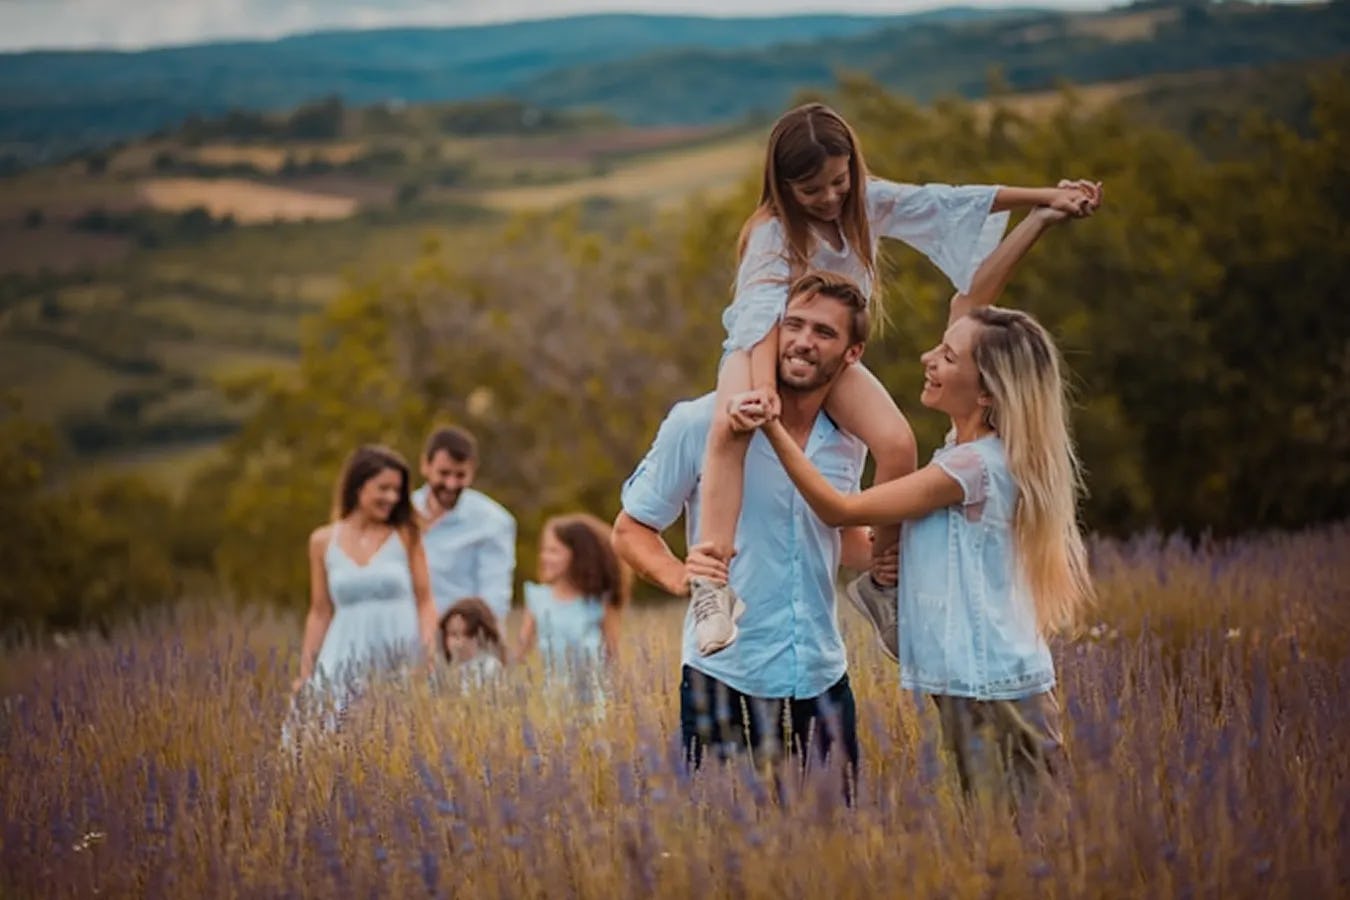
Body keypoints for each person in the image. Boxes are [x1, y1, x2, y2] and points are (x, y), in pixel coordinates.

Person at [691, 100, 1101, 657]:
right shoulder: (771, 231)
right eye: (812, 191)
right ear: (784, 189)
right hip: (762, 346)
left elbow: (944, 201)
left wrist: (1045, 199)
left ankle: (883, 581)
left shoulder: (864, 202)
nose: (830, 198)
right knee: (729, 426)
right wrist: (763, 388)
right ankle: (712, 584)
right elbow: (760, 314)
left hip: (827, 356)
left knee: (897, 441)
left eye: (838, 181)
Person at [750, 204, 1094, 809]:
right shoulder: (969, 450)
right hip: (974, 683)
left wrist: (770, 423)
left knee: (1030, 836)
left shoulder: (970, 467)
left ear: (986, 392)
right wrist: (1038, 221)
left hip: (993, 687)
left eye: (947, 359)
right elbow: (971, 305)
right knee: (997, 831)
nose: (927, 360)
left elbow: (835, 507)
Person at [613, 272, 881, 788]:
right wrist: (680, 578)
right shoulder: (698, 422)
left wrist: (896, 549)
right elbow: (630, 530)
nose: (803, 341)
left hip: (821, 674)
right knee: (730, 845)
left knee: (836, 841)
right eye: (793, 325)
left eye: (824, 332)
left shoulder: (849, 439)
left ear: (852, 353)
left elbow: (839, 539)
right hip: (725, 674)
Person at [293, 444, 438, 708]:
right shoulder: (322, 541)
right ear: (359, 486)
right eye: (384, 488)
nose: (392, 497)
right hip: (342, 652)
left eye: (397, 490)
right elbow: (319, 611)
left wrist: (427, 654)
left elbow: (425, 600)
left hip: (399, 653)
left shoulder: (407, 536)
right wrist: (305, 673)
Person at [413, 426, 517, 623]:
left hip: (459, 637)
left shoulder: (492, 522)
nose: (451, 484)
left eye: (460, 475)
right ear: (425, 466)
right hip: (402, 636)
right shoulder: (402, 513)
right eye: (443, 473)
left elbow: (494, 597)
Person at [515, 513, 628, 675]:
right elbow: (522, 650)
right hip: (554, 696)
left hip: (593, 695)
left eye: (554, 551)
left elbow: (613, 656)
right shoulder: (537, 598)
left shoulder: (599, 602)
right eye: (544, 550)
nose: (544, 557)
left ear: (578, 555)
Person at [438, 597, 506, 688]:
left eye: (459, 635)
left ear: (477, 637)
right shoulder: (443, 672)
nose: (455, 643)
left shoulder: (490, 667)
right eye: (450, 634)